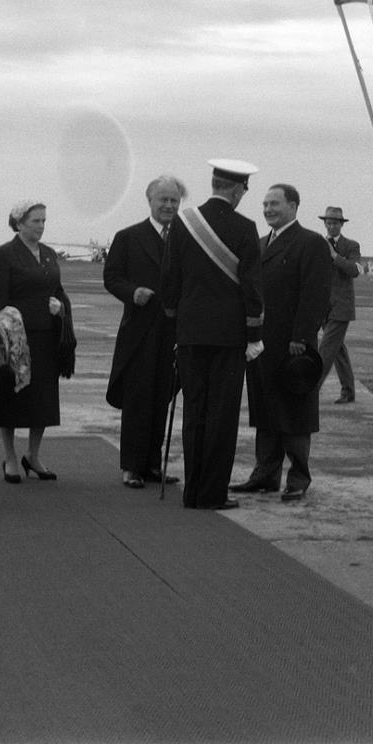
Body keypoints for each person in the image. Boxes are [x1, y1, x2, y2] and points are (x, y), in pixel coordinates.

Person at [161, 159, 264, 510]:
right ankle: (212, 493)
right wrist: (254, 334)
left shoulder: (183, 222)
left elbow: (169, 279)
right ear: (235, 190)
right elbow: (252, 288)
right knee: (221, 417)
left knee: (194, 412)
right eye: (243, 190)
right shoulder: (245, 228)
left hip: (190, 334)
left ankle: (192, 492)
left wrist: (176, 320)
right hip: (228, 337)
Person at [235, 184, 331, 501]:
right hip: (262, 344)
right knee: (265, 410)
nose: (268, 210)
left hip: (293, 347)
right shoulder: (261, 244)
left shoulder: (311, 243)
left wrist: (301, 336)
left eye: (274, 204)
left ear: (293, 206)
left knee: (294, 414)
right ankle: (265, 474)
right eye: (265, 204)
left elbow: (315, 295)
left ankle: (298, 478)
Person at [104, 175, 187, 489]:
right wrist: (132, 292)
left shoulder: (186, 238)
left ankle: (152, 463)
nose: (169, 206)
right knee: (138, 399)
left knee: (162, 397)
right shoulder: (128, 237)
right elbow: (112, 277)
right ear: (150, 201)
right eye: (163, 200)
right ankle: (132, 466)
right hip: (140, 332)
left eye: (174, 200)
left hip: (174, 331)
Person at [0, 200, 74, 484]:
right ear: (19, 223)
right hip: (17, 339)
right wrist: (3, 336)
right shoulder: (5, 254)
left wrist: (61, 308)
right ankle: (10, 457)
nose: (41, 226)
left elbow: (57, 290)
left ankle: (33, 455)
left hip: (46, 338)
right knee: (11, 398)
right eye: (35, 221)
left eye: (43, 221)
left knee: (42, 401)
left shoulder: (49, 254)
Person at [317, 206, 362, 404]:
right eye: (328, 223)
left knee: (326, 350)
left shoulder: (351, 246)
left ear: (341, 224)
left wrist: (334, 256)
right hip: (323, 307)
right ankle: (348, 391)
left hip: (342, 308)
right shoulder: (317, 243)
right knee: (338, 350)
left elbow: (355, 270)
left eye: (335, 223)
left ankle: (311, 389)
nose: (331, 226)